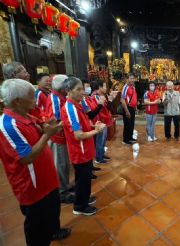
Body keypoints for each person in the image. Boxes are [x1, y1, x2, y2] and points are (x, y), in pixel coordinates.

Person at [0, 79, 70, 245]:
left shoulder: (26, 115)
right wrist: (48, 135)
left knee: (52, 211)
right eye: (31, 97)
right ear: (17, 101)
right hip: (32, 186)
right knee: (37, 228)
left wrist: (49, 126)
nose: (36, 100)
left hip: (47, 179)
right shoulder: (8, 125)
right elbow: (26, 157)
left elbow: (42, 127)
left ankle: (54, 231)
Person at [61, 77, 106, 216]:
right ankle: (80, 206)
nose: (82, 92)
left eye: (82, 88)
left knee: (85, 178)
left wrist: (93, 125)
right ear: (68, 91)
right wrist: (96, 130)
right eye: (78, 89)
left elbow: (83, 123)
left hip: (85, 149)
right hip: (79, 151)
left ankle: (84, 198)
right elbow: (78, 135)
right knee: (81, 180)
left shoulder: (78, 105)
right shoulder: (70, 108)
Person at [45, 74, 75, 204]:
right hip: (58, 136)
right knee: (61, 164)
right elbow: (56, 120)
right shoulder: (55, 98)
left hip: (62, 135)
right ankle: (62, 192)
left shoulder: (60, 96)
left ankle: (65, 186)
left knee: (64, 163)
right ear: (62, 87)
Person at [90, 80, 113, 164]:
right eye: (104, 86)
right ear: (99, 87)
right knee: (99, 140)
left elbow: (107, 108)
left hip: (104, 120)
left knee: (103, 140)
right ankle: (98, 157)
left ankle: (102, 154)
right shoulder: (95, 97)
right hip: (100, 121)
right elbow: (99, 110)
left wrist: (110, 100)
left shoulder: (101, 95)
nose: (106, 88)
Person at [120, 74, 138, 145]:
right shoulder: (125, 87)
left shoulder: (133, 87)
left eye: (133, 78)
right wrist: (127, 111)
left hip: (132, 108)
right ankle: (125, 140)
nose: (132, 80)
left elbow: (134, 97)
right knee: (127, 124)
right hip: (127, 108)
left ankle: (130, 137)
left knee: (131, 124)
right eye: (130, 78)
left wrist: (135, 108)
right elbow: (122, 99)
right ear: (127, 79)